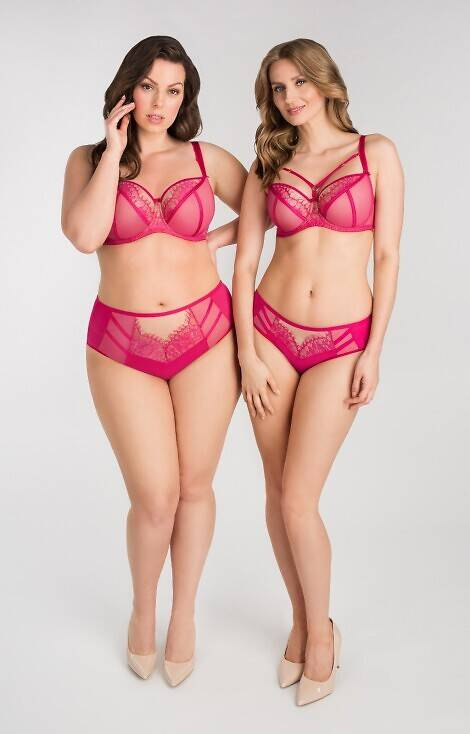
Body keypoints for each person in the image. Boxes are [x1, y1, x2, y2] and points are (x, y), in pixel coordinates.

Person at [61, 36, 247, 686]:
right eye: (148, 86)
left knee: (195, 487)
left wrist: (214, 242)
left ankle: (184, 613)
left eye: (173, 90)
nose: (159, 102)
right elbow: (84, 235)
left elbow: (272, 206)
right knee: (155, 497)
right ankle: (144, 609)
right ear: (127, 88)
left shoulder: (206, 158)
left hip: (208, 337)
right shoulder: (88, 160)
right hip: (122, 348)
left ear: (185, 96)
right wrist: (114, 152)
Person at [233, 38, 404, 706]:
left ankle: (323, 634)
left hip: (341, 343)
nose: (290, 97)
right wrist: (247, 353)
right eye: (278, 88)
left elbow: (386, 257)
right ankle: (304, 624)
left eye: (299, 82)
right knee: (277, 492)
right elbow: (245, 261)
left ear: (325, 82)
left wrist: (374, 351)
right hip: (270, 334)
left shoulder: (376, 153)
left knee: (299, 499)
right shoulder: (271, 161)